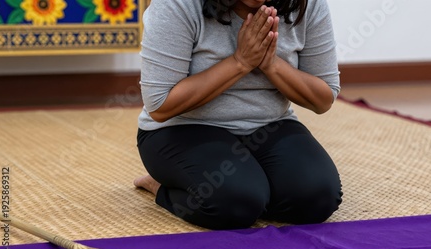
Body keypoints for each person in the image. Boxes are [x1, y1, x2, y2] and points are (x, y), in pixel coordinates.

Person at [134, 0, 343, 230]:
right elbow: (160, 106)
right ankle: (161, 187)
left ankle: (255, 187)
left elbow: (323, 98)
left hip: (270, 125)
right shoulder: (177, 4)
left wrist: (271, 64)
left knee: (317, 197)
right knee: (236, 204)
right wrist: (240, 62)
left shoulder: (307, 4)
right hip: (182, 128)